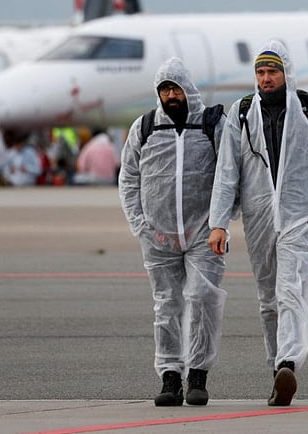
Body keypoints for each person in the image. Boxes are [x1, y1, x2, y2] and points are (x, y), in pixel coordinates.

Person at [208, 40, 308, 407]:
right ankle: (277, 371)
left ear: (286, 73)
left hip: (300, 216)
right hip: (257, 218)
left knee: (290, 290)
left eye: (273, 71)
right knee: (268, 300)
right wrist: (218, 222)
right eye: (261, 72)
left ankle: (289, 361)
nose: (266, 79)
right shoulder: (240, 113)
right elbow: (226, 172)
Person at [118, 57, 227, 407]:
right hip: (158, 236)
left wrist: (221, 221)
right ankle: (169, 376)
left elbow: (230, 174)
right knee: (166, 305)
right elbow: (128, 178)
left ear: (187, 88)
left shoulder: (211, 124)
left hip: (204, 233)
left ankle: (197, 374)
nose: (170, 95)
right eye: (164, 89)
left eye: (175, 88)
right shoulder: (145, 127)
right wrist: (141, 225)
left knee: (202, 299)